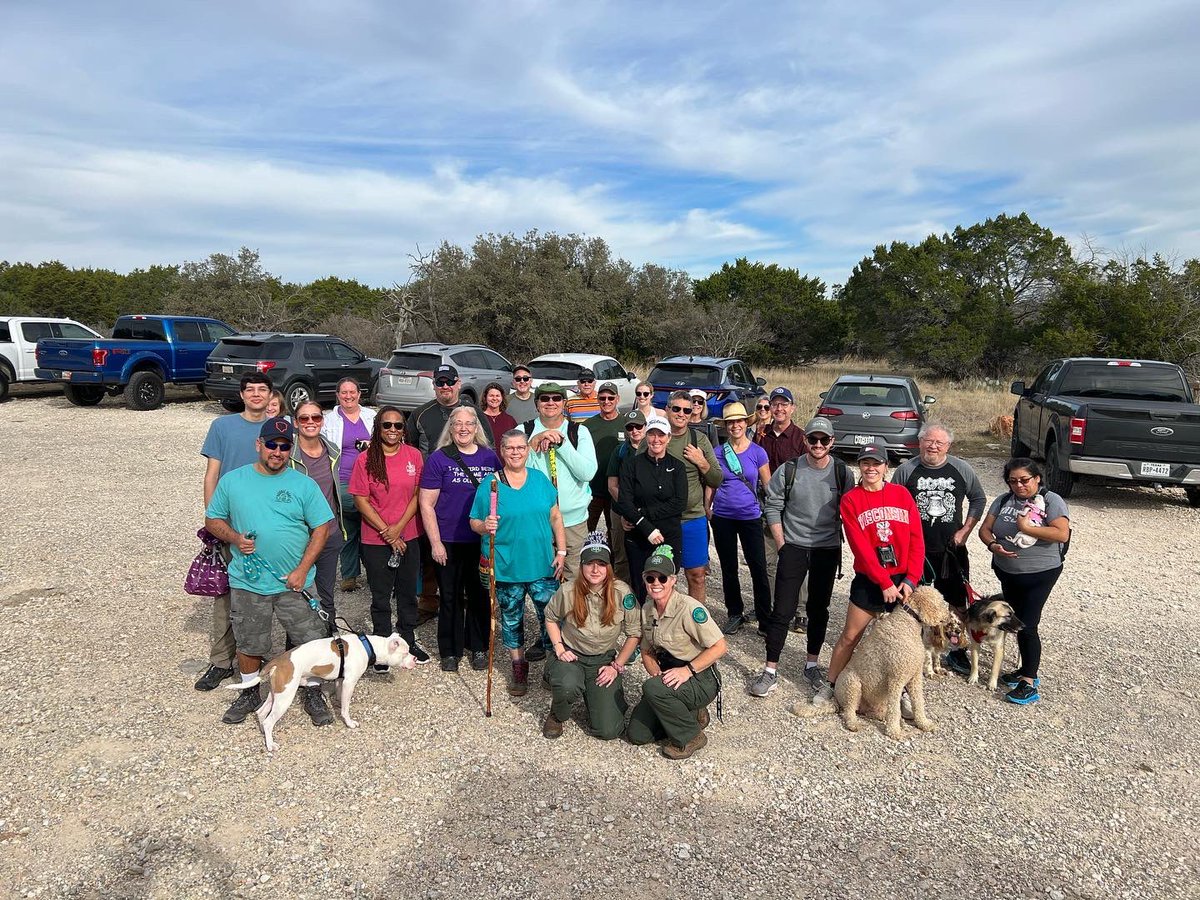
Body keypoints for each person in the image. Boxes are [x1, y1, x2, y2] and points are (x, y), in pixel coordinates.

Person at [204, 417, 335, 727]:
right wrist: (235, 538)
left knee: (309, 639)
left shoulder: (303, 483)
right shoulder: (233, 481)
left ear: (291, 449)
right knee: (250, 642)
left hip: (295, 582)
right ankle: (250, 691)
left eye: (284, 446)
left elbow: (322, 527)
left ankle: (312, 690)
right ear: (258, 445)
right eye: (272, 445)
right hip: (248, 582)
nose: (278, 451)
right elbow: (213, 520)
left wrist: (303, 569)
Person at [811, 445, 923, 707]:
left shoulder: (902, 494)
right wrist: (884, 582)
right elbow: (859, 547)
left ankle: (902, 692)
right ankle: (831, 683)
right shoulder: (851, 499)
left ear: (886, 467)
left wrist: (911, 579)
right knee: (851, 636)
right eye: (865, 463)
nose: (871, 469)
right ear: (859, 467)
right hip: (871, 579)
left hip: (903, 579)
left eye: (876, 463)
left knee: (902, 643)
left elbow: (917, 539)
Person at [750, 417, 852, 698]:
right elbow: (772, 506)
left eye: (824, 440)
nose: (818, 445)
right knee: (782, 609)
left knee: (819, 610)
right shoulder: (789, 469)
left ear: (832, 442)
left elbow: (851, 511)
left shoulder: (843, 472)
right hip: (793, 546)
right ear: (805, 440)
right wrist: (782, 543)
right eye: (813, 439)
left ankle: (812, 664)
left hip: (826, 550)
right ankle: (770, 670)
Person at [470, 429, 567, 695]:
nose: (515, 452)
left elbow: (555, 516)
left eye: (520, 448)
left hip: (542, 565)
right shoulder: (490, 484)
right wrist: (483, 526)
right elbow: (474, 521)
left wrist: (561, 551)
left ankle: (552, 665)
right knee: (512, 619)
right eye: (510, 448)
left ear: (527, 450)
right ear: (502, 452)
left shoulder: (539, 480)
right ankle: (518, 665)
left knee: (550, 616)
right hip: (505, 566)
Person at [195, 372, 273, 692]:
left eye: (262, 389)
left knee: (261, 596)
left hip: (268, 526)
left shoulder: (277, 428)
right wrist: (212, 519)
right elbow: (211, 474)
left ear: (271, 395)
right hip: (230, 523)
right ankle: (221, 661)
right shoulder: (222, 427)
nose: (256, 394)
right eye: (250, 390)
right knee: (225, 596)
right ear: (241, 395)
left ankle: (253, 656)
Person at [891, 422, 987, 674]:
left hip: (950, 548)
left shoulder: (961, 469)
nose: (932, 446)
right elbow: (893, 502)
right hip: (915, 548)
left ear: (948, 446)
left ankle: (957, 650)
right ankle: (911, 648)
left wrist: (965, 530)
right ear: (919, 442)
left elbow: (978, 498)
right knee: (911, 600)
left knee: (956, 601)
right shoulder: (906, 469)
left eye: (939, 443)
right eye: (928, 441)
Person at [976, 458, 1070, 705]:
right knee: (1014, 621)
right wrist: (993, 545)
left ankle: (1029, 680)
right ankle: (1024, 669)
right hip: (1007, 571)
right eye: (1013, 481)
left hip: (1040, 573)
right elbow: (985, 530)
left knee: (1028, 625)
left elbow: (1061, 533)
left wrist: (1026, 528)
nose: (1019, 486)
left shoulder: (1051, 501)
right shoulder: (1003, 500)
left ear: (1037, 478)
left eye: (1024, 480)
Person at [419, 406, 500, 671]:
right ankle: (450, 650)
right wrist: (435, 542)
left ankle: (478, 646)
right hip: (449, 540)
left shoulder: (490, 458)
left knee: (478, 594)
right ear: (450, 428)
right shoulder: (439, 459)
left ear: (477, 428)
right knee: (450, 595)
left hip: (479, 539)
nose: (463, 428)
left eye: (469, 424)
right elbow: (426, 504)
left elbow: (501, 496)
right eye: (458, 424)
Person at [626, 547, 727, 760]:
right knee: (637, 734)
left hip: (699, 677)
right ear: (644, 580)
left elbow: (720, 647)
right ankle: (689, 713)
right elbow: (646, 650)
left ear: (672, 580)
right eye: (650, 578)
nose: (656, 583)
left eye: (662, 578)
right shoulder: (647, 609)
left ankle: (691, 736)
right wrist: (656, 674)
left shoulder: (689, 608)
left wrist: (687, 671)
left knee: (652, 689)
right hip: (669, 679)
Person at [349, 407, 430, 667]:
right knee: (381, 595)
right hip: (375, 538)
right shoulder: (365, 459)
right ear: (378, 428)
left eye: (398, 425)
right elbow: (361, 500)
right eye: (387, 425)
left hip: (408, 535)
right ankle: (382, 644)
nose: (392, 430)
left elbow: (418, 495)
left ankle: (407, 639)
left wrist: (399, 529)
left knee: (407, 592)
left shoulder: (414, 456)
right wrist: (387, 531)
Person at [541, 532, 641, 740]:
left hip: (603, 659)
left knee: (608, 731)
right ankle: (557, 714)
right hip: (573, 655)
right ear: (582, 565)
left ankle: (599, 696)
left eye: (601, 564)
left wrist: (616, 666)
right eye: (590, 563)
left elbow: (634, 633)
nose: (595, 569)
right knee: (567, 686)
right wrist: (559, 648)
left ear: (608, 567)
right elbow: (550, 618)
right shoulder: (568, 590)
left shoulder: (622, 593)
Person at [408, 363, 474, 623]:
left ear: (459, 383)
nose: (445, 387)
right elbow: (412, 449)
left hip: (465, 489)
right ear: (434, 385)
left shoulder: (471, 413)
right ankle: (428, 600)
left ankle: (467, 597)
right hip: (431, 487)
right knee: (430, 547)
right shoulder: (421, 414)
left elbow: (486, 447)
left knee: (466, 545)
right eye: (440, 383)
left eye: (450, 382)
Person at [707, 402, 771, 636]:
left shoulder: (758, 452)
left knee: (758, 567)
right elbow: (713, 482)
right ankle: (735, 612)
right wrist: (707, 507)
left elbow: (768, 485)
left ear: (746, 423)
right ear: (726, 426)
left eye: (739, 421)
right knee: (729, 567)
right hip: (723, 516)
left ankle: (765, 618)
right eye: (730, 422)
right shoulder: (718, 452)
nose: (735, 425)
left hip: (750, 516)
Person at [525, 382, 597, 586]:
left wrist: (562, 445)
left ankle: (573, 619)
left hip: (572, 522)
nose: (550, 403)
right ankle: (548, 618)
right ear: (537, 403)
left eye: (556, 398)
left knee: (574, 582)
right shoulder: (523, 430)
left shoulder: (578, 432)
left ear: (564, 403)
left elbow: (587, 472)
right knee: (541, 580)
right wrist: (533, 442)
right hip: (537, 521)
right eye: (544, 398)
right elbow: (513, 470)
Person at [613, 414, 688, 604]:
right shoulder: (632, 465)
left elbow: (679, 502)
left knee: (665, 582)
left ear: (669, 437)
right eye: (652, 434)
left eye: (661, 435)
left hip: (668, 535)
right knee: (641, 583)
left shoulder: (677, 466)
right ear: (646, 436)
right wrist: (646, 527)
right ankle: (640, 627)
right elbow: (624, 501)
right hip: (639, 536)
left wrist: (642, 514)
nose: (656, 440)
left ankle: (665, 626)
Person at [752, 386, 810, 631]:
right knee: (769, 560)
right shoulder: (760, 435)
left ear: (792, 408)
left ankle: (801, 611)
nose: (778, 409)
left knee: (796, 559)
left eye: (783, 404)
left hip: (793, 507)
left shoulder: (801, 438)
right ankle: (777, 607)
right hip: (765, 505)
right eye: (773, 404)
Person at [288, 400, 346, 629]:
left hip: (329, 533)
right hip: (300, 537)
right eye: (304, 418)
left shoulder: (333, 450)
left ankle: (329, 646)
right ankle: (296, 651)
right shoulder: (286, 454)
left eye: (316, 417)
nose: (310, 422)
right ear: (296, 422)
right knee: (298, 596)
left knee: (326, 593)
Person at [663, 390, 723, 602]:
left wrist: (701, 461)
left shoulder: (700, 440)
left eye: (686, 410)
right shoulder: (655, 437)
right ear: (667, 409)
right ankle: (665, 625)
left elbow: (716, 479)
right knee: (663, 576)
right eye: (676, 408)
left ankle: (697, 625)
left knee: (696, 576)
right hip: (662, 520)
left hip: (692, 518)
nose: (681, 414)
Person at [319, 377, 376, 592]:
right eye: (344, 392)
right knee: (347, 527)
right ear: (337, 395)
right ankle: (349, 574)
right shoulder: (329, 420)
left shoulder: (372, 417)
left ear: (359, 395)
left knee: (370, 527)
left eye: (352, 392)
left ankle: (374, 573)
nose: (348, 396)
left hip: (370, 480)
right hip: (343, 479)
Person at [583, 381, 629, 577]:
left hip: (616, 490)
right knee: (586, 532)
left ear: (617, 399)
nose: (607, 401)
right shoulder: (588, 426)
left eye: (611, 398)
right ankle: (585, 572)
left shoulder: (627, 425)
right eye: (602, 398)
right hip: (592, 490)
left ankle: (612, 576)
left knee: (616, 536)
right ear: (598, 399)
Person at [480, 381, 517, 448]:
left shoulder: (509, 420)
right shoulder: (479, 418)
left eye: (497, 396)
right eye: (491, 396)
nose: (494, 398)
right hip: (484, 457)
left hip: (504, 457)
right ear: (485, 397)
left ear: (502, 398)